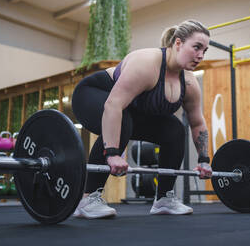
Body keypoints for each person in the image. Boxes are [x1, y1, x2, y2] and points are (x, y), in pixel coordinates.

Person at [71, 20, 213, 219]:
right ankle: (88, 199)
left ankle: (164, 199)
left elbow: (197, 122)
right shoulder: (147, 64)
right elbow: (113, 105)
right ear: (178, 43)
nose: (200, 55)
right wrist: (112, 153)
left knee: (174, 129)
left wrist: (204, 160)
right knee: (123, 123)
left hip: (127, 110)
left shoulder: (189, 83)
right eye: (197, 47)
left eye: (205, 50)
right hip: (93, 95)